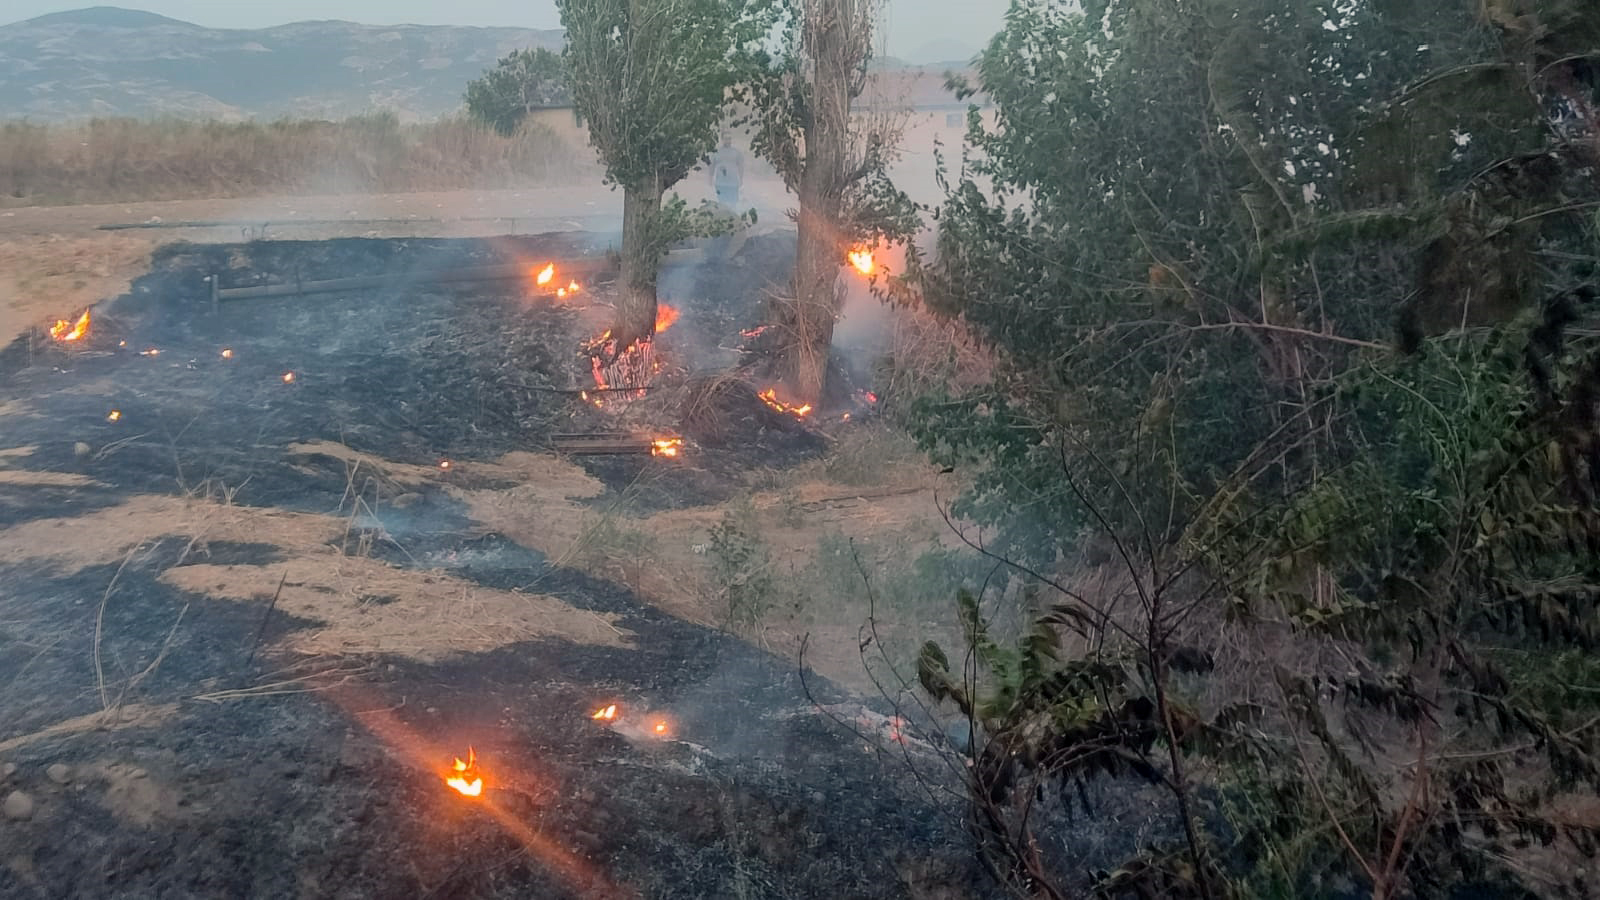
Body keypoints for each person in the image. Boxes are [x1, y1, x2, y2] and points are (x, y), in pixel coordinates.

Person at [709, 134, 745, 209]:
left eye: (729, 139)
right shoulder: (716, 152)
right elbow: (712, 166)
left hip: (733, 184)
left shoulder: (736, 152)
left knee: (733, 204)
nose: (728, 141)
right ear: (722, 140)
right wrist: (710, 179)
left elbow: (741, 167)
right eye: (726, 139)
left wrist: (741, 179)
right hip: (720, 184)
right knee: (721, 204)